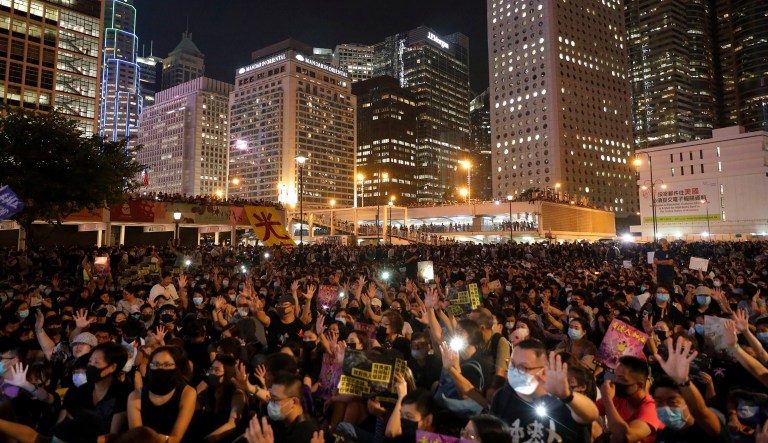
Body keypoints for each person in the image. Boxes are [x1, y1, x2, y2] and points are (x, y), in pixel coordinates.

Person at [490, 339, 598, 442]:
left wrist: (567, 396)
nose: (515, 372)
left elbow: (591, 415)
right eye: (512, 365)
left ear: (543, 370)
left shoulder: (561, 399)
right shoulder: (502, 396)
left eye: (523, 367)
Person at [651, 337, 732, 442]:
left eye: (672, 401)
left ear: (688, 402)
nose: (665, 408)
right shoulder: (664, 436)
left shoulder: (706, 429)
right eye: (659, 402)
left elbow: (701, 412)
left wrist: (683, 381)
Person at [58, 341, 130, 437]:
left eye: (96, 362)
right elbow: (62, 425)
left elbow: (114, 434)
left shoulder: (124, 393)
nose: (90, 366)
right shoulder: (77, 392)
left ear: (112, 367)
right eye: (90, 361)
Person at [126, 346, 196, 443]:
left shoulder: (187, 393)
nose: (160, 369)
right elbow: (137, 437)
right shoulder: (135, 396)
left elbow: (176, 438)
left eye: (167, 365)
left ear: (177, 367)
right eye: (155, 364)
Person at [598, 355, 663, 443]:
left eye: (621, 378)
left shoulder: (652, 408)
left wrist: (607, 399)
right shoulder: (619, 397)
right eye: (615, 377)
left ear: (639, 385)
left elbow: (625, 437)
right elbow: (591, 411)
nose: (616, 382)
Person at [265, 372, 318, 441]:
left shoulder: (305, 435)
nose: (271, 403)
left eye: (275, 399)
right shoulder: (283, 422)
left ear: (294, 402)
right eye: (271, 397)